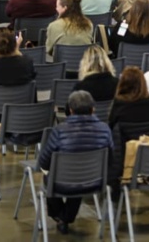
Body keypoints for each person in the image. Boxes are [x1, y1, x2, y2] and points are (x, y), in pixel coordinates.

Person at [36, 90, 115, 234]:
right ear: (93, 109)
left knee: (52, 176)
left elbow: (44, 162)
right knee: (80, 176)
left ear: (70, 110)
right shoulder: (105, 130)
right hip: (94, 182)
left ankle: (60, 216)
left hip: (62, 184)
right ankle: (65, 217)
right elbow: (111, 160)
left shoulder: (59, 130)